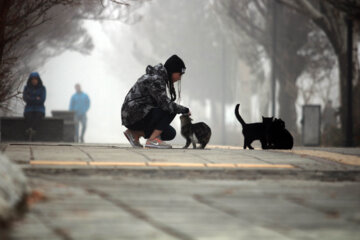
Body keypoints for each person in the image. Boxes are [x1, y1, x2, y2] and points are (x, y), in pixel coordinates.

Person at [121, 54, 190, 149]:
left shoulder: (157, 77)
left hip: (135, 115)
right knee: (171, 109)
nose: (179, 78)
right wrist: (185, 110)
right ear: (172, 71)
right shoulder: (156, 79)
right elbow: (166, 105)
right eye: (179, 74)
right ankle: (152, 140)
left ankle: (134, 134)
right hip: (134, 114)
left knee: (170, 133)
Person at [22, 72, 46, 140]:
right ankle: (31, 131)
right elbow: (25, 98)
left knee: (38, 116)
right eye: (32, 79)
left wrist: (31, 98)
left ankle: (31, 131)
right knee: (28, 117)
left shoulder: (42, 88)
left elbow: (42, 99)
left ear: (38, 80)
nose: (34, 80)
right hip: (29, 109)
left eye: (35, 79)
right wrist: (36, 98)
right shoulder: (26, 88)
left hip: (39, 109)